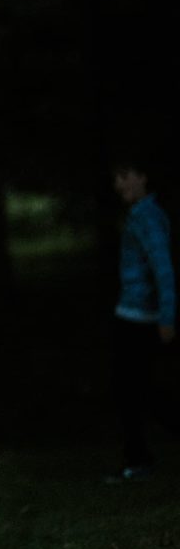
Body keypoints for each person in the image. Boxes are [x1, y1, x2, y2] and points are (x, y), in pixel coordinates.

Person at [106, 159, 178, 483]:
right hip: (133, 316)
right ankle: (138, 460)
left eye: (124, 175)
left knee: (138, 392)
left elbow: (163, 269)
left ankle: (139, 462)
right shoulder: (144, 215)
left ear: (142, 176)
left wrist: (167, 317)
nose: (119, 184)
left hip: (139, 319)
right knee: (138, 391)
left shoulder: (147, 217)